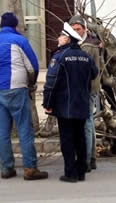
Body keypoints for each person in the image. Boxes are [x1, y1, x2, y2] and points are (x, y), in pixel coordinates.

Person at [0, 12, 48, 181]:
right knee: (24, 129)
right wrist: (31, 83)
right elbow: (32, 65)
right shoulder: (20, 41)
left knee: (4, 131)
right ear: (15, 26)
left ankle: (7, 168)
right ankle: (30, 168)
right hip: (17, 89)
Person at [43, 22, 98, 183]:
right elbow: (94, 74)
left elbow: (51, 83)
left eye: (60, 36)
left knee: (67, 139)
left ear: (67, 39)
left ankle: (70, 173)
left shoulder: (59, 57)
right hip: (81, 102)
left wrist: (47, 103)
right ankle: (81, 171)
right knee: (80, 137)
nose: (58, 39)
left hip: (64, 104)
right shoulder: (86, 57)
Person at [69, 15, 103, 171]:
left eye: (78, 29)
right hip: (84, 88)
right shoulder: (86, 43)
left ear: (84, 29)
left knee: (86, 123)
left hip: (86, 88)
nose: (76, 31)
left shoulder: (88, 46)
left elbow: (85, 70)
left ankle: (86, 160)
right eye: (73, 29)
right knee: (88, 123)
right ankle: (92, 157)